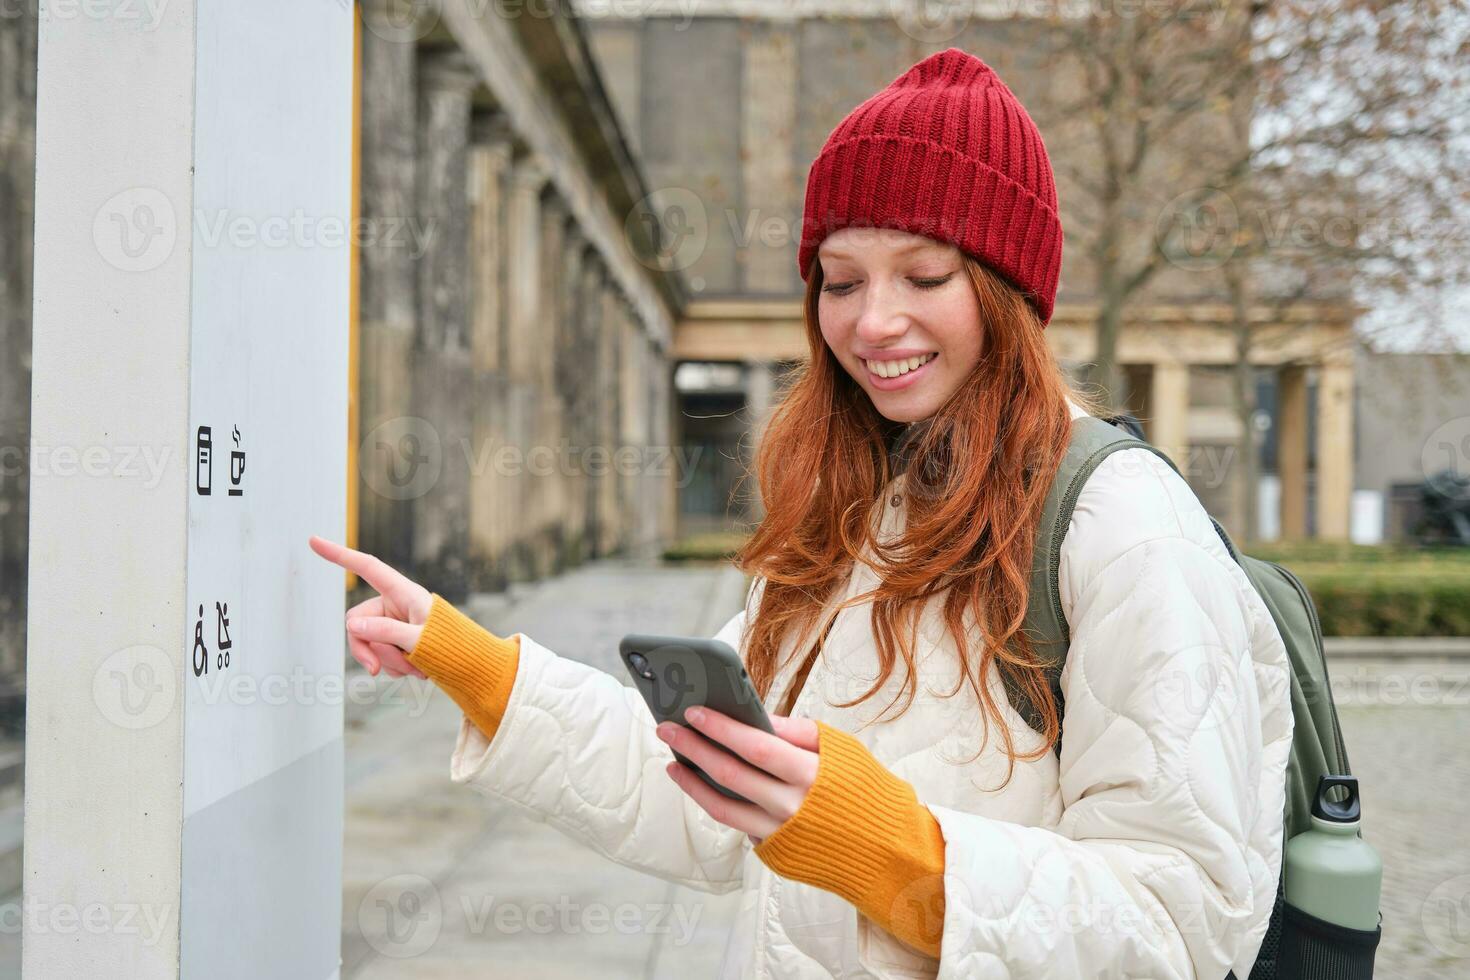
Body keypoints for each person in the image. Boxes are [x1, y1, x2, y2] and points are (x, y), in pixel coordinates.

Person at [311, 46, 1293, 979]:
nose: (872, 321)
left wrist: (895, 853)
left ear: (1007, 292)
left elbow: (1184, 924)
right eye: (841, 279)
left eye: (925, 275)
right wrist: (468, 661)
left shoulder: (1124, 523)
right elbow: (705, 792)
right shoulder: (866, 513)